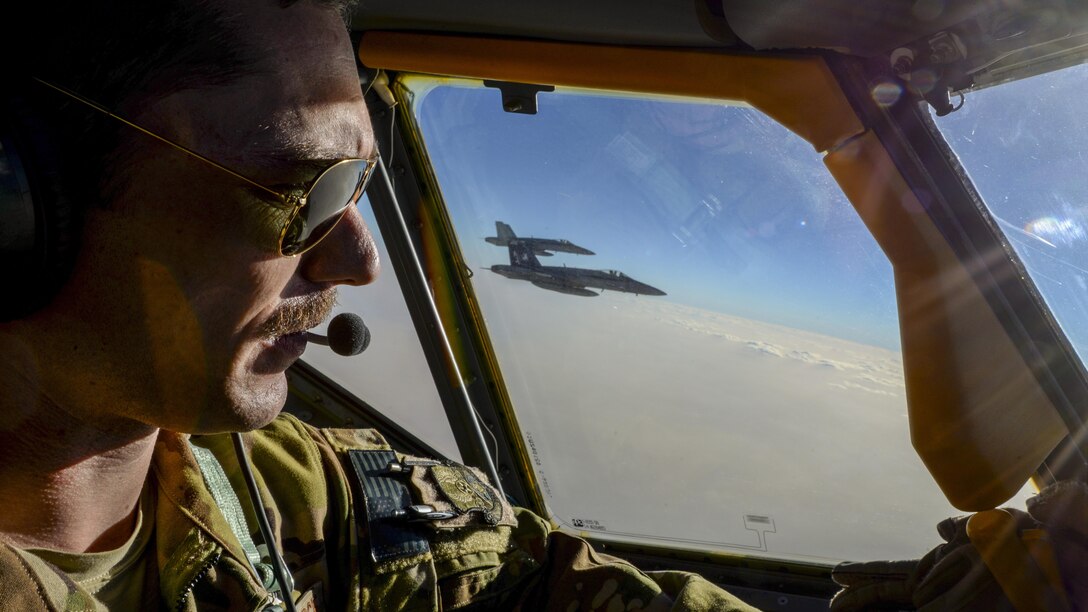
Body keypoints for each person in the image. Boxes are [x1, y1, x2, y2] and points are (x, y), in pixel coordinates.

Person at [0, 1, 758, 609]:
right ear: (20, 205)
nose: (358, 264)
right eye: (305, 190)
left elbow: (535, 579)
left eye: (360, 184)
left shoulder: (301, 495)